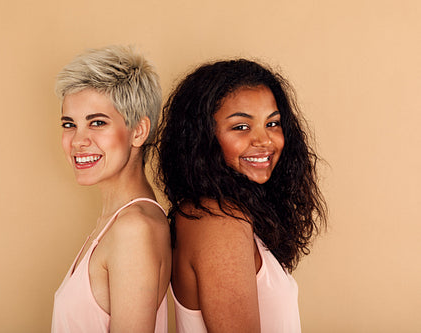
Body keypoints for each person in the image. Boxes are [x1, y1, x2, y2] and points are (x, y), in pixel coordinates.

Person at [157, 59, 327, 332]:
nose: (264, 140)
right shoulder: (219, 221)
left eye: (272, 123)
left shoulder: (212, 212)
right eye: (241, 127)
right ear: (202, 138)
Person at [51, 46, 171, 333]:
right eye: (70, 124)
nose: (78, 141)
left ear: (139, 132)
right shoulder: (117, 222)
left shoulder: (133, 229)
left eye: (97, 122)